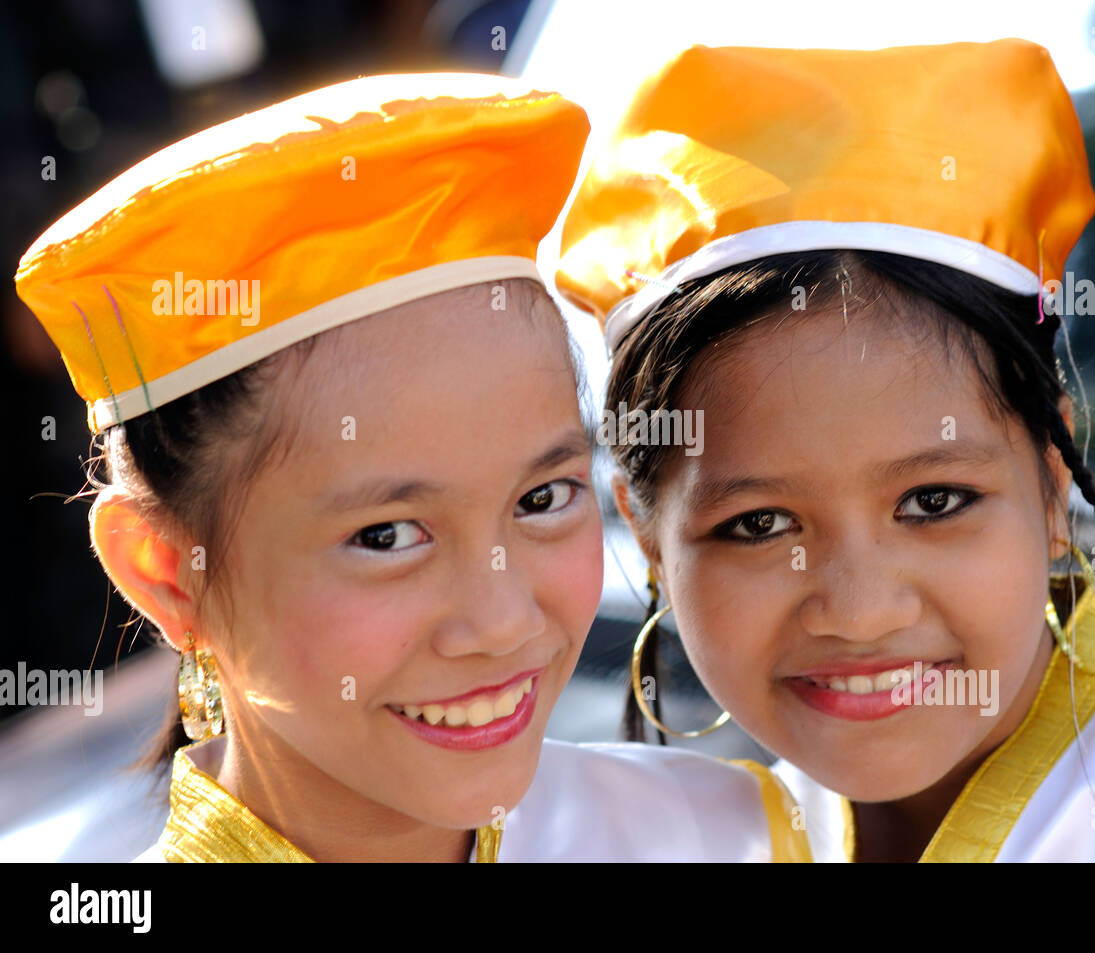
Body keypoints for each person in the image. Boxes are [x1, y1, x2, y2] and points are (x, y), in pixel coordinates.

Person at [16, 72, 807, 862]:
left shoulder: (730, 836)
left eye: (542, 497)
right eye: (387, 535)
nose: (503, 621)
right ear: (164, 571)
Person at [556, 41, 1095, 861]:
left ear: (1053, 485)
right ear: (650, 536)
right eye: (761, 523)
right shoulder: (608, 834)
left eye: (934, 501)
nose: (861, 609)